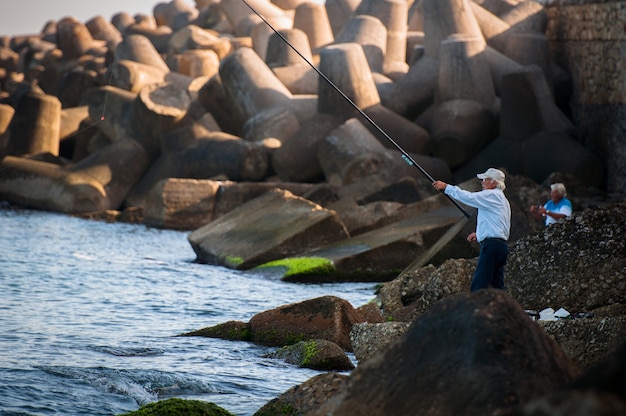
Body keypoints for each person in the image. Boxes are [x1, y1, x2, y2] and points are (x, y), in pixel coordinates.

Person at [432, 168, 511, 292]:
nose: (482, 182)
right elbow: (498, 224)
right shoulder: (503, 200)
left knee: (479, 284)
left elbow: (469, 197)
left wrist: (447, 187)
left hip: (491, 246)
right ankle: (504, 309)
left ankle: (475, 308)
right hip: (501, 247)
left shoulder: (492, 195)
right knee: (497, 286)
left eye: (485, 179)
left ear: (495, 183)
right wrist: (479, 234)